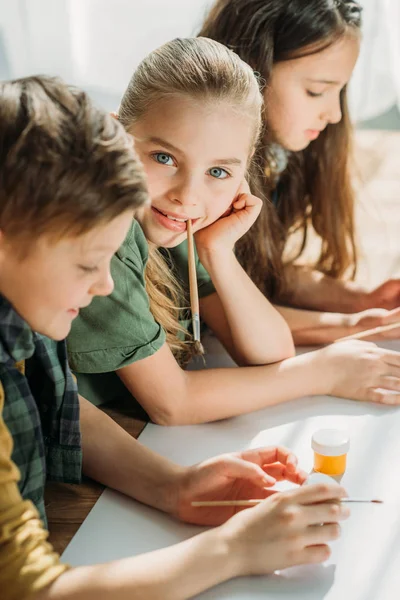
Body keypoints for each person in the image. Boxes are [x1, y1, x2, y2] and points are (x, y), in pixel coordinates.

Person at [0, 74, 349, 600]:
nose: (103, 284)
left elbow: (59, 403)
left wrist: (175, 487)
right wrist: (233, 551)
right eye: (89, 264)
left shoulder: (26, 308)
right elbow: (32, 590)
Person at [68, 38, 400, 427]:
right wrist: (322, 372)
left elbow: (270, 352)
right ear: (115, 136)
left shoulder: (174, 226)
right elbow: (173, 404)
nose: (187, 196)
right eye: (164, 158)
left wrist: (217, 252)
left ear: (243, 174)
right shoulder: (108, 233)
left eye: (218, 172)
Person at [199, 0, 400, 344]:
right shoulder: (199, 178)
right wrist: (355, 327)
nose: (335, 114)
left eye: (340, 91)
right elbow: (223, 312)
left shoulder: (273, 162)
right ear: (251, 69)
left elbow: (260, 269)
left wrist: (362, 300)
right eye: (316, 91)